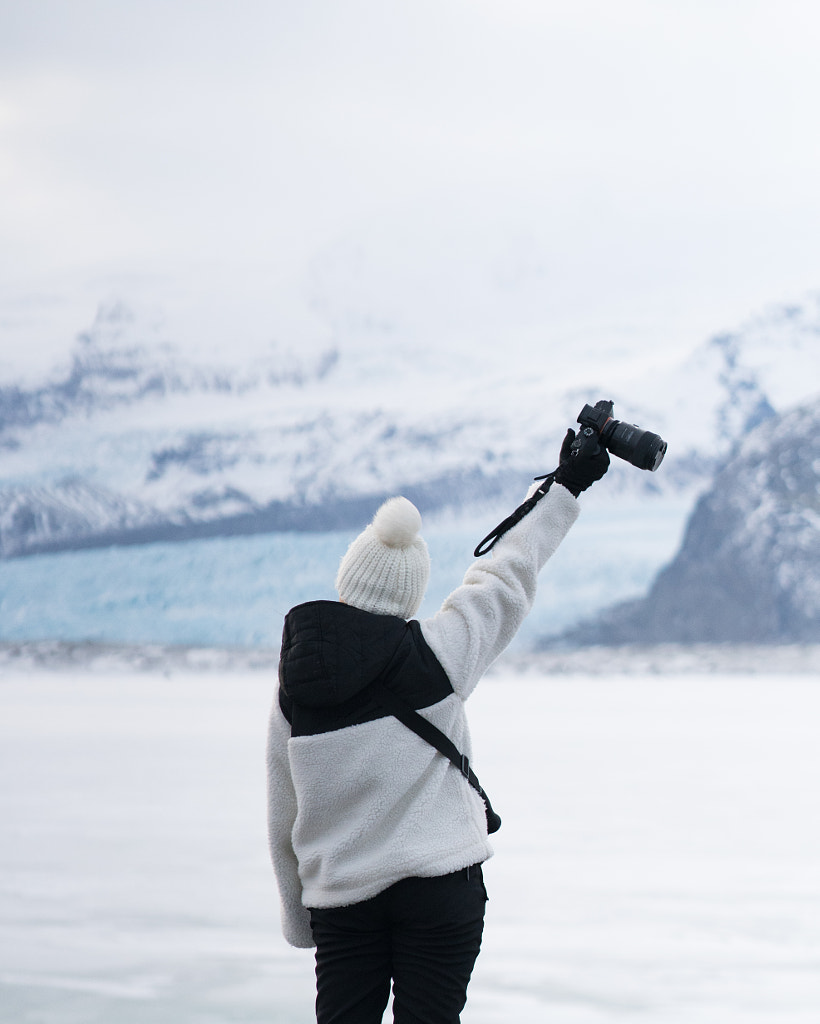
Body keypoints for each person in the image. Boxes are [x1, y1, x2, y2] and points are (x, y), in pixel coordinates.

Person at [266, 426, 610, 1023]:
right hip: (440, 889)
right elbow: (507, 574)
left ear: (347, 580)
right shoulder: (440, 654)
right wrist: (567, 485)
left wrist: (302, 920)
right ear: (411, 590)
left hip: (343, 899)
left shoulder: (296, 686)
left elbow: (283, 810)